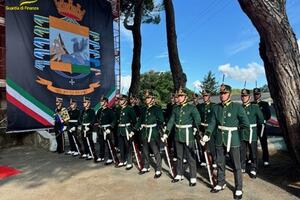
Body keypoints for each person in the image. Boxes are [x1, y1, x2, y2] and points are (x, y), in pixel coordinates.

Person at [201, 84, 250, 199]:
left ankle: (238, 188)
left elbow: (246, 124)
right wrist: (207, 134)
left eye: (225, 93)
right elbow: (212, 123)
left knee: (236, 166)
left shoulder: (237, 107)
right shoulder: (216, 108)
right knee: (219, 163)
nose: (222, 95)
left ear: (230, 94)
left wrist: (235, 131)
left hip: (233, 140)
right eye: (221, 93)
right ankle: (220, 183)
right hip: (219, 139)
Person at [162, 87, 201, 187]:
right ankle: (179, 174)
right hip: (178, 134)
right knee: (179, 156)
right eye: (178, 96)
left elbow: (197, 119)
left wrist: (196, 130)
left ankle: (193, 177)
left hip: (188, 135)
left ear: (186, 97)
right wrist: (166, 133)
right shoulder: (175, 108)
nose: (179, 98)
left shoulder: (191, 108)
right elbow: (171, 121)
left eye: (181, 96)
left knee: (190, 157)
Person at [135, 90, 164, 178]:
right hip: (144, 132)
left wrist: (160, 129)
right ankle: (146, 166)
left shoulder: (157, 109)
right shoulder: (143, 109)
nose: (147, 99)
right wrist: (135, 129)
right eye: (146, 98)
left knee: (155, 152)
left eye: (148, 98)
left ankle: (159, 169)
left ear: (152, 99)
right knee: (145, 151)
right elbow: (140, 120)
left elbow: (161, 120)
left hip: (153, 132)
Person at [240, 89, 264, 178]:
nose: (243, 98)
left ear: (249, 97)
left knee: (253, 152)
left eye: (245, 96)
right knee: (242, 151)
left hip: (252, 132)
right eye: (242, 96)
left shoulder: (254, 107)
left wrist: (255, 127)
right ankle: (242, 166)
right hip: (242, 132)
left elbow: (261, 119)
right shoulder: (240, 107)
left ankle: (253, 168)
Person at [116, 94, 137, 170]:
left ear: (125, 101)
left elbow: (134, 120)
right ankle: (122, 160)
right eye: (119, 100)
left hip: (127, 129)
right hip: (120, 130)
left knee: (128, 146)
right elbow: (117, 119)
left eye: (121, 100)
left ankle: (129, 162)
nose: (120, 101)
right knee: (121, 146)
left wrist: (133, 130)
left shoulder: (129, 109)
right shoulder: (118, 109)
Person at [197, 90, 217, 167]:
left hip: (210, 128)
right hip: (202, 127)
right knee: (202, 144)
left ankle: (214, 160)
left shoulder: (213, 106)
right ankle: (204, 159)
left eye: (206, 96)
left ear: (209, 96)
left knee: (212, 145)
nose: (205, 97)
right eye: (204, 96)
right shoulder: (200, 106)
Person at [252, 88, 271, 166]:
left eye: (257, 94)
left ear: (260, 94)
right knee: (253, 144)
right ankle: (252, 159)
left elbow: (268, 115)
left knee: (264, 143)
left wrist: (264, 120)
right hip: (253, 127)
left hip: (262, 127)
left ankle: (265, 159)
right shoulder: (251, 104)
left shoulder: (264, 104)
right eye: (255, 94)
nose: (256, 95)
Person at [95, 96, 116, 164]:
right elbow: (97, 119)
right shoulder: (99, 110)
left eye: (103, 101)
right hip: (101, 129)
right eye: (101, 101)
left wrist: (110, 128)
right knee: (101, 144)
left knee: (109, 143)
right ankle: (101, 156)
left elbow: (114, 120)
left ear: (106, 103)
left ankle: (111, 157)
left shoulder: (109, 110)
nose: (101, 102)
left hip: (107, 129)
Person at [79, 96, 98, 162]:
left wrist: (89, 126)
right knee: (84, 140)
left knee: (90, 141)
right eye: (83, 102)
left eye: (85, 102)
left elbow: (94, 119)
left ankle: (91, 153)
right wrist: (81, 124)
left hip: (88, 128)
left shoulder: (91, 111)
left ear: (89, 103)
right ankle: (86, 152)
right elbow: (80, 118)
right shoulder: (83, 111)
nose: (84, 103)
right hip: (83, 127)